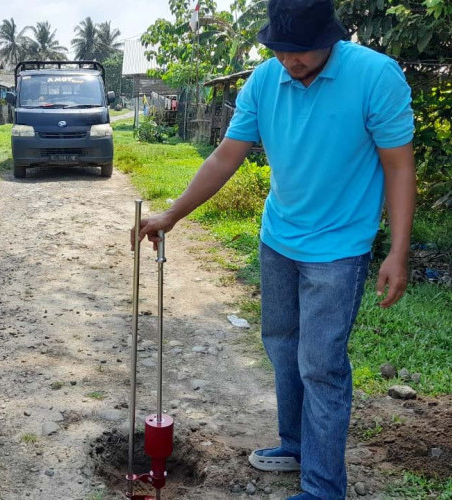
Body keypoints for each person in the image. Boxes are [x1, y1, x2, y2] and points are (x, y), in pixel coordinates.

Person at [133, 0, 416, 498]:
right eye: (281, 49)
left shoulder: (376, 76)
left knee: (321, 366)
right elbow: (226, 156)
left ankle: (324, 487)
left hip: (339, 249)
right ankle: (295, 446)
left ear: (331, 35)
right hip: (278, 239)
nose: (292, 60)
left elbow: (398, 166)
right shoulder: (265, 80)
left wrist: (397, 250)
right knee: (282, 348)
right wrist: (172, 214)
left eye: (302, 48)